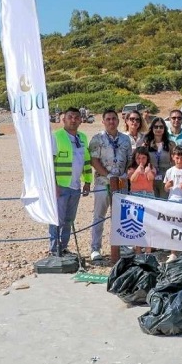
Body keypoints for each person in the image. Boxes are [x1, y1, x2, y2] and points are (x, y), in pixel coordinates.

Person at [89, 109, 134, 263]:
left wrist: (125, 174)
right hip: (103, 183)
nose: (111, 121)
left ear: (118, 120)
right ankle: (95, 248)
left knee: (120, 217)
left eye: (114, 119)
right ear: (103, 121)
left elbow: (129, 159)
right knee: (99, 216)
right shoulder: (97, 139)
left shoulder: (125, 139)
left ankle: (120, 245)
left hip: (121, 183)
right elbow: (94, 160)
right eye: (108, 119)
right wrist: (107, 175)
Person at [51, 107, 91, 257]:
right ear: (64, 119)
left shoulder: (82, 137)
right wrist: (54, 185)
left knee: (69, 220)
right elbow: (50, 163)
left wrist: (87, 181)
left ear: (81, 120)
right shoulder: (56, 137)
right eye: (70, 117)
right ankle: (54, 250)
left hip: (75, 187)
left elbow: (86, 160)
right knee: (57, 220)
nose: (73, 120)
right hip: (61, 186)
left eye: (76, 117)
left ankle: (64, 248)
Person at [164, 146, 182, 263]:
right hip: (172, 203)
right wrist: (167, 186)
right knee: (173, 228)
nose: (179, 160)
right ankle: (173, 253)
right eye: (177, 158)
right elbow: (166, 189)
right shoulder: (169, 171)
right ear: (173, 157)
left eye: (181, 158)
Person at [143, 117, 173, 199]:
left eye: (161, 127)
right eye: (156, 127)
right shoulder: (146, 144)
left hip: (165, 178)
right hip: (150, 177)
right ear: (152, 129)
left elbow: (174, 162)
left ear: (164, 128)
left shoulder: (171, 144)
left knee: (164, 204)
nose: (158, 129)